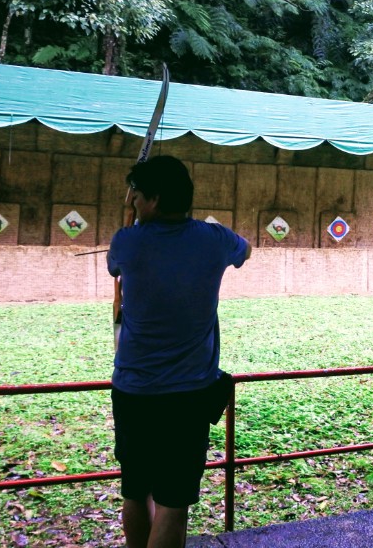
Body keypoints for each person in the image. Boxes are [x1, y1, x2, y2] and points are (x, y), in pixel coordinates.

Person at [107, 155, 251, 548]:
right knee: (173, 503)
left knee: (135, 493)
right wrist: (212, 229)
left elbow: (114, 267)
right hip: (188, 396)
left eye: (137, 197)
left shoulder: (127, 241)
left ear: (153, 199)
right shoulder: (215, 239)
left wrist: (132, 222)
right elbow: (245, 250)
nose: (133, 203)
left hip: (134, 392)